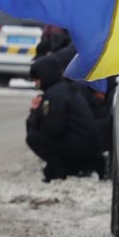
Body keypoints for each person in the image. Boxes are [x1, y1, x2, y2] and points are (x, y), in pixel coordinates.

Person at [25, 53, 104, 181]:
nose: (36, 84)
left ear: (45, 76)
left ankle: (59, 169)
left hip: (80, 146)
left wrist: (35, 113)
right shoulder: (65, 89)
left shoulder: (54, 95)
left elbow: (52, 129)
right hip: (88, 144)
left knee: (34, 138)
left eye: (36, 79)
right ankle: (72, 166)